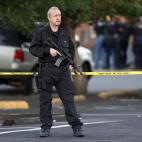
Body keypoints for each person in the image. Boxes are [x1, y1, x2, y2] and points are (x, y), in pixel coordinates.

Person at [29, 6, 84, 137]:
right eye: (55, 16)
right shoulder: (41, 33)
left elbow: (71, 49)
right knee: (45, 100)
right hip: (47, 70)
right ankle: (45, 127)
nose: (58, 18)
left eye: (59, 15)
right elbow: (33, 49)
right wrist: (48, 51)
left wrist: (70, 63)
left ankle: (76, 126)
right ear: (49, 18)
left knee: (68, 99)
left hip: (63, 71)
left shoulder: (64, 33)